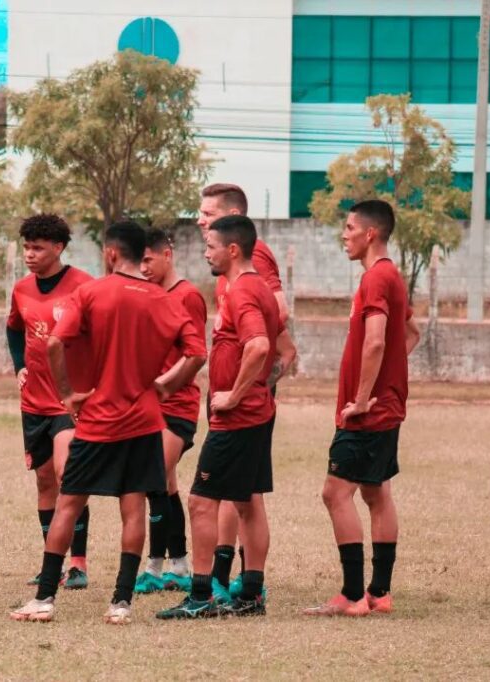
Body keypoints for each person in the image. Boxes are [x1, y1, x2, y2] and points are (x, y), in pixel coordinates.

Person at [10, 221, 206, 624]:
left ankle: (44, 599)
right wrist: (167, 386)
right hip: (145, 422)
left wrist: (68, 394)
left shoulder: (91, 292)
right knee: (132, 509)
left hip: (97, 420)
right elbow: (197, 353)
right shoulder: (164, 299)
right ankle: (121, 603)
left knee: (68, 504)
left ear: (112, 253)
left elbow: (53, 343)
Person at [158, 215, 282, 619]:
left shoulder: (244, 290)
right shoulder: (257, 287)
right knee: (248, 503)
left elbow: (261, 346)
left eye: (210, 246)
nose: (205, 252)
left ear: (232, 249)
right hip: (256, 414)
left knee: (199, 502)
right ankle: (251, 594)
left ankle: (200, 596)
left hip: (239, 418)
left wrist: (233, 395)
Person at [304, 200, 418, 617]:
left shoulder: (375, 278)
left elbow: (375, 341)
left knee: (335, 493)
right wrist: (389, 379)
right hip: (387, 407)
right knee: (376, 492)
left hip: (368, 412)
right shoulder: (392, 276)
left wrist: (365, 396)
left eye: (349, 227)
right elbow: (411, 333)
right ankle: (380, 594)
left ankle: (353, 596)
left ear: (370, 233)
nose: (344, 233)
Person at [196, 183, 296, 599]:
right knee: (245, 497)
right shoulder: (231, 279)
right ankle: (243, 586)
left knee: (206, 498)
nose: (201, 222)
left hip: (242, 408)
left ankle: (207, 590)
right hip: (243, 402)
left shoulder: (250, 273)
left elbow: (270, 324)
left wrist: (241, 392)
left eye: (208, 214)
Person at [6, 214, 94, 589]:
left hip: (68, 402)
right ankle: (52, 563)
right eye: (26, 247)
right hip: (34, 402)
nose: (30, 254)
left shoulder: (84, 286)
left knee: (66, 474)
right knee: (45, 482)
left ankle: (77, 563)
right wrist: (19, 366)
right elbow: (13, 329)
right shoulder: (22, 289)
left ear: (58, 248)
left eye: (38, 248)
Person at [135, 227, 208, 595]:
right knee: (164, 485)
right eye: (140, 260)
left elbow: (195, 355)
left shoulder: (188, 295)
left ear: (168, 255)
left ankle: (153, 565)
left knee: (150, 480)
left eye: (149, 259)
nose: (144, 267)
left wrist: (166, 384)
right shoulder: (148, 293)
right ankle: (178, 566)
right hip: (148, 405)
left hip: (177, 405)